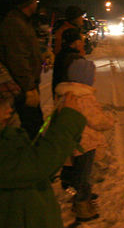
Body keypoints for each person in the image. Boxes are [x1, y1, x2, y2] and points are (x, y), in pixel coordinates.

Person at [0, 90, 86, 228]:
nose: (9, 110)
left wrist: (58, 120)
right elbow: (38, 164)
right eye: (2, 106)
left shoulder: (9, 136)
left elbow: (42, 159)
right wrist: (68, 120)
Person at [56, 58, 114, 222]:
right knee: (84, 176)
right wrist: (109, 119)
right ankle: (82, 204)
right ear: (86, 78)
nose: (94, 78)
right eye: (93, 75)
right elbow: (97, 120)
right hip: (85, 144)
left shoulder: (64, 94)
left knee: (72, 169)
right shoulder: (84, 98)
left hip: (71, 141)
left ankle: (70, 190)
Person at [0, 0, 44, 139]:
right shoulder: (15, 23)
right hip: (22, 87)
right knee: (31, 125)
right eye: (35, 1)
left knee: (33, 123)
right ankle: (30, 157)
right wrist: (29, 87)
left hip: (26, 84)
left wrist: (43, 55)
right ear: (28, 3)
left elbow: (28, 50)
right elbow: (18, 57)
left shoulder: (23, 21)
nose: (37, 4)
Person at [52, 28, 85, 97]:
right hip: (71, 96)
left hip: (59, 94)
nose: (82, 44)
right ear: (74, 42)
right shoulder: (74, 58)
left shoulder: (61, 54)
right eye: (79, 41)